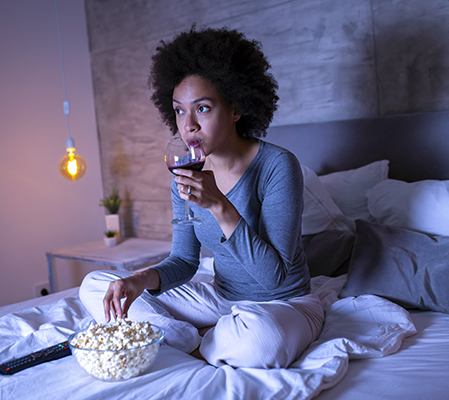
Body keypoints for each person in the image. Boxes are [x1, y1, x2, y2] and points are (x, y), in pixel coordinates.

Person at [79, 26, 324, 369]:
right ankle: (185, 337)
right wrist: (140, 279)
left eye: (203, 109)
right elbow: (184, 261)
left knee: (261, 341)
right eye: (179, 110)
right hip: (222, 298)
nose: (188, 125)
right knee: (97, 285)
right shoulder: (185, 172)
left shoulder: (278, 166)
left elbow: (275, 279)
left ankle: (178, 339)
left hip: (282, 304)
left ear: (236, 108)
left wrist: (220, 206)